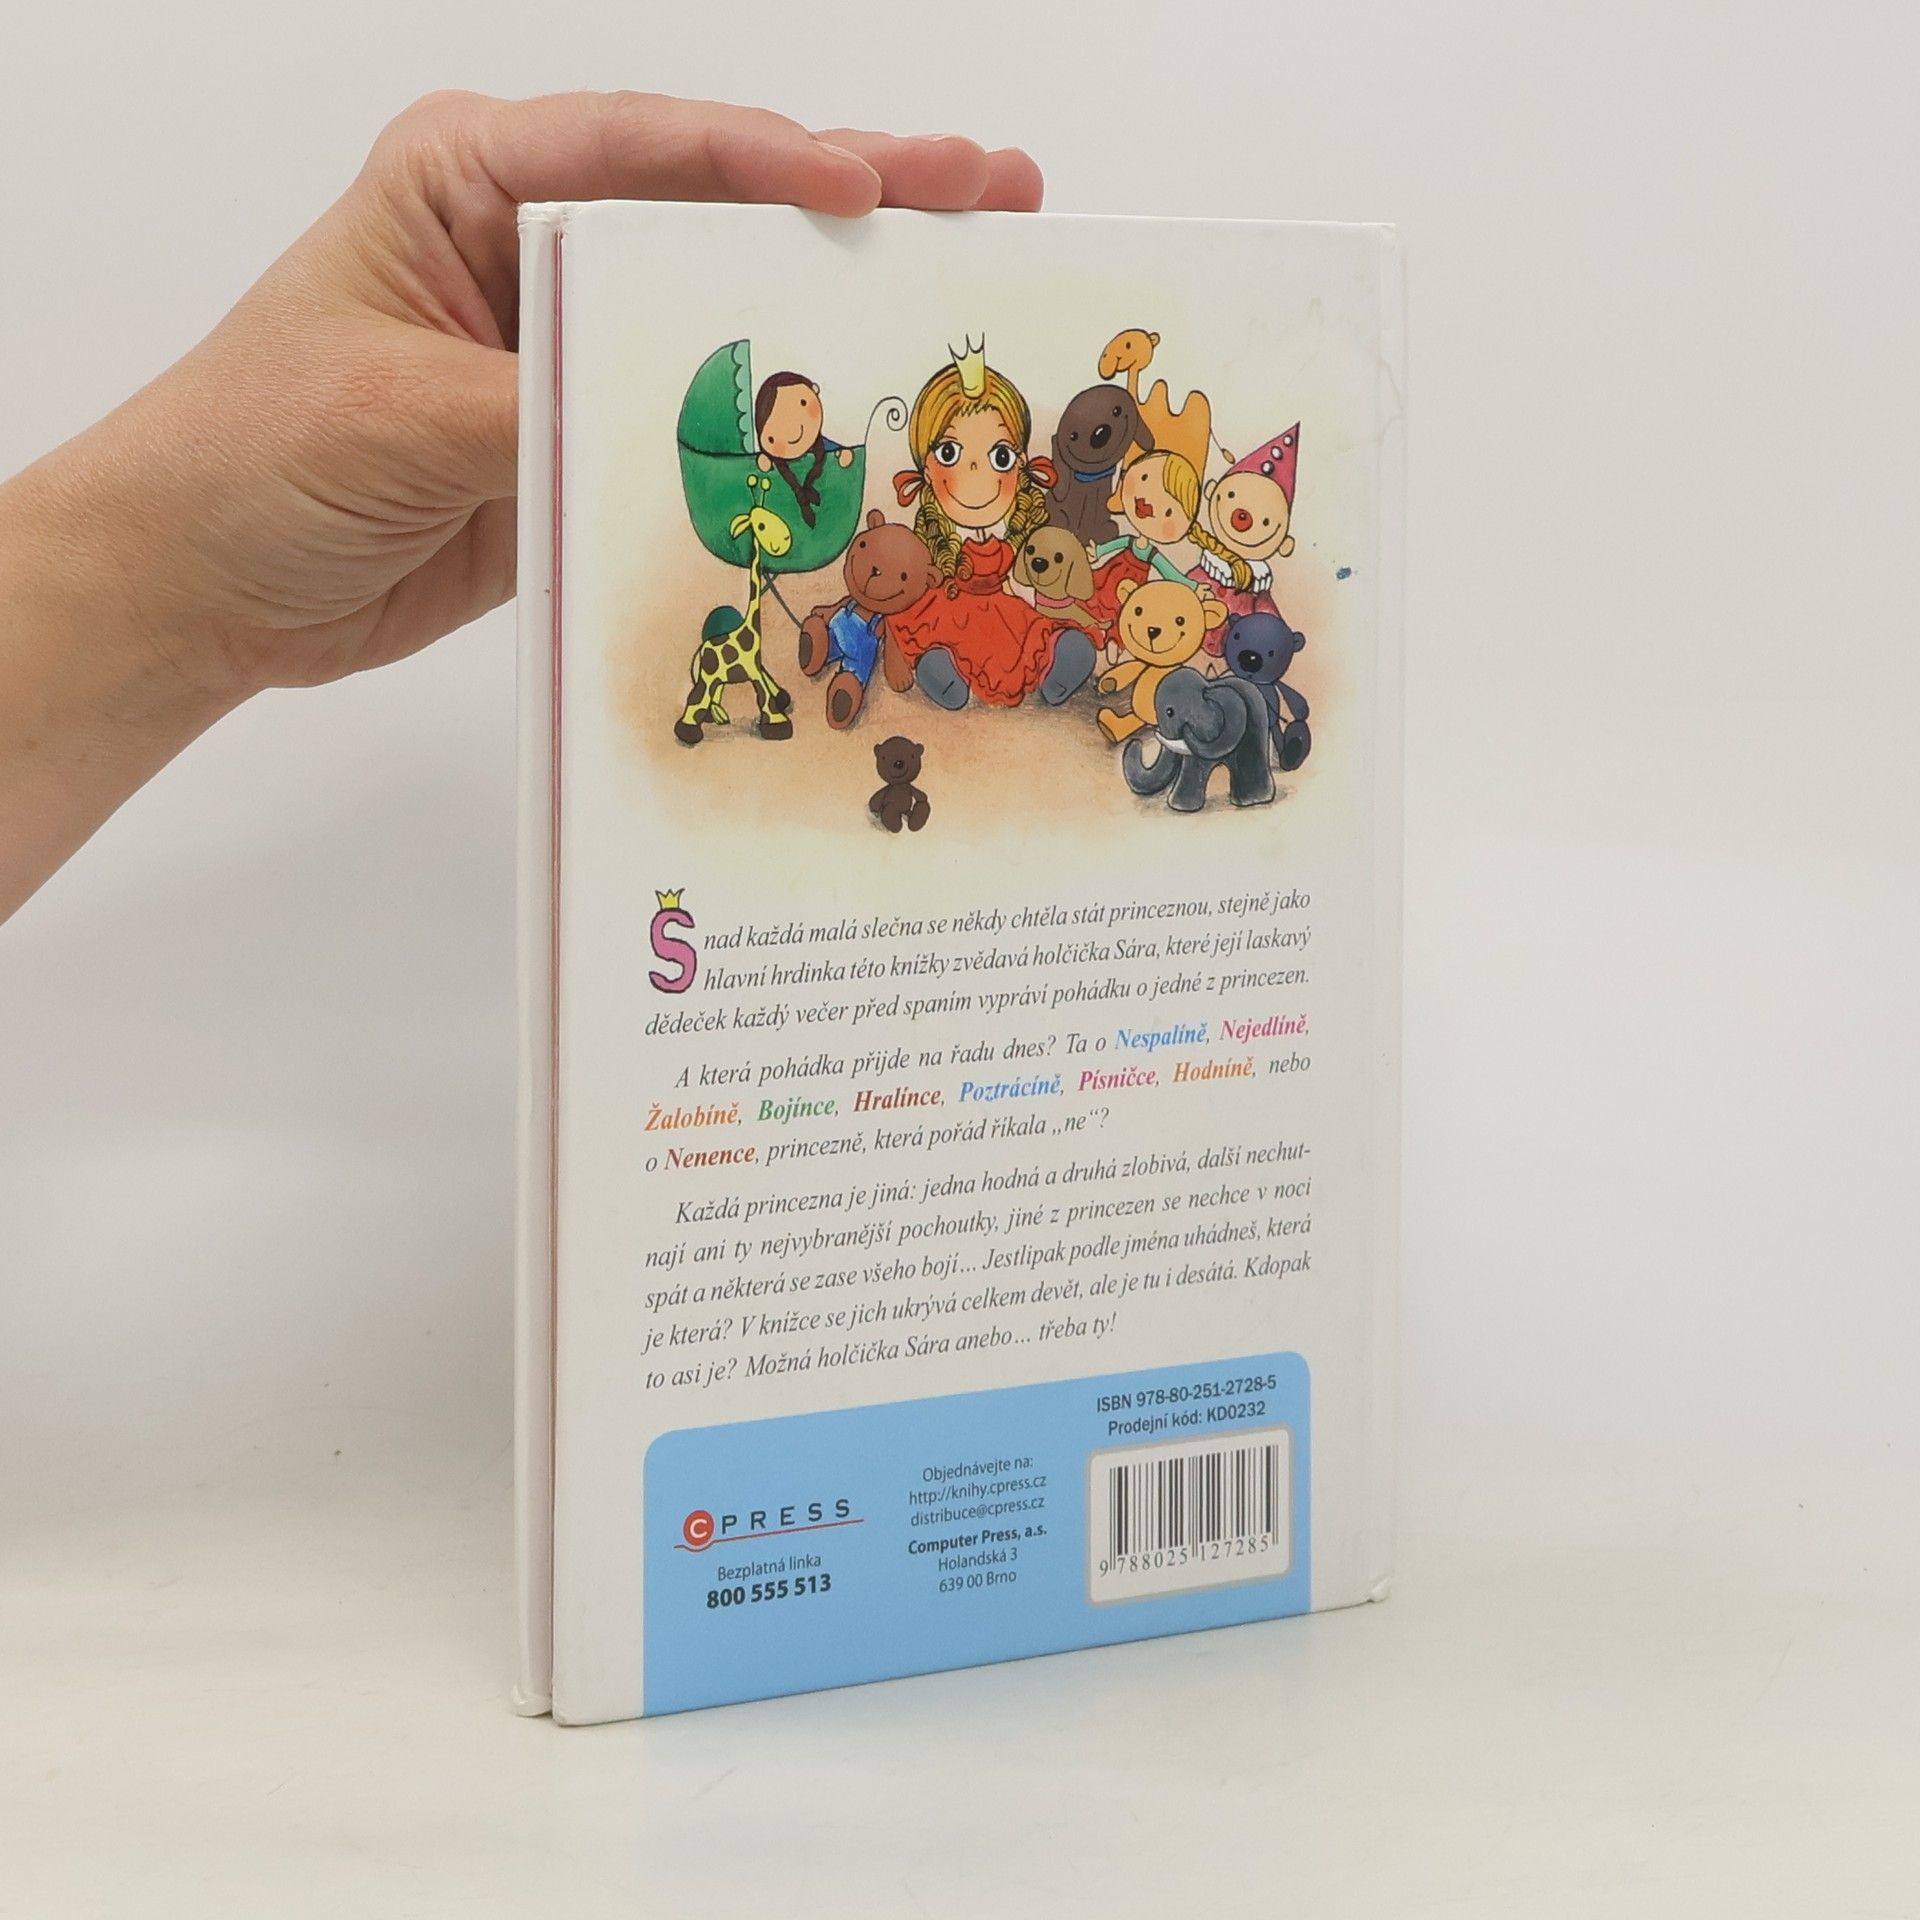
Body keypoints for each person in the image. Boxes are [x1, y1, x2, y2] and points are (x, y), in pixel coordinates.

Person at [0, 91, 1043, 924]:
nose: (802, 425)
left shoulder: (829, 480)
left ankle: (818, 677)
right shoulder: (743, 470)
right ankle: (790, 678)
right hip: (782, 576)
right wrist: (168, 591)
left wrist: (173, 607)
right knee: (775, 639)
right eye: (790, 416)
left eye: (808, 416)